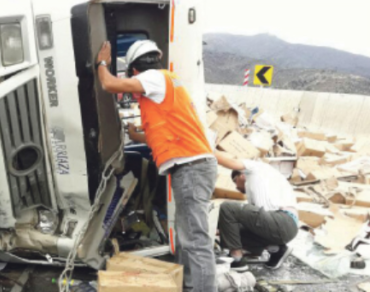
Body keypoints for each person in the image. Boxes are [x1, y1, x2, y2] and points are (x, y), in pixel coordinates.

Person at [96, 40, 218, 292]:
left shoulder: (155, 77)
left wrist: (102, 63)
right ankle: (188, 286)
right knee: (186, 239)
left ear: (135, 70)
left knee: (195, 241)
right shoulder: (165, 84)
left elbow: (109, 84)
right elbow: (158, 134)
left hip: (192, 168)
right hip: (191, 167)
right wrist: (133, 133)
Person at [214, 151, 299, 271]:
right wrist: (223, 229)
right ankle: (277, 249)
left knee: (227, 208)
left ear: (241, 175)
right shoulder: (257, 186)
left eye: (235, 181)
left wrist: (206, 152)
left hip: (283, 220)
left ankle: (237, 259)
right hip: (285, 227)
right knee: (229, 230)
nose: (236, 187)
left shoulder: (254, 168)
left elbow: (232, 163)